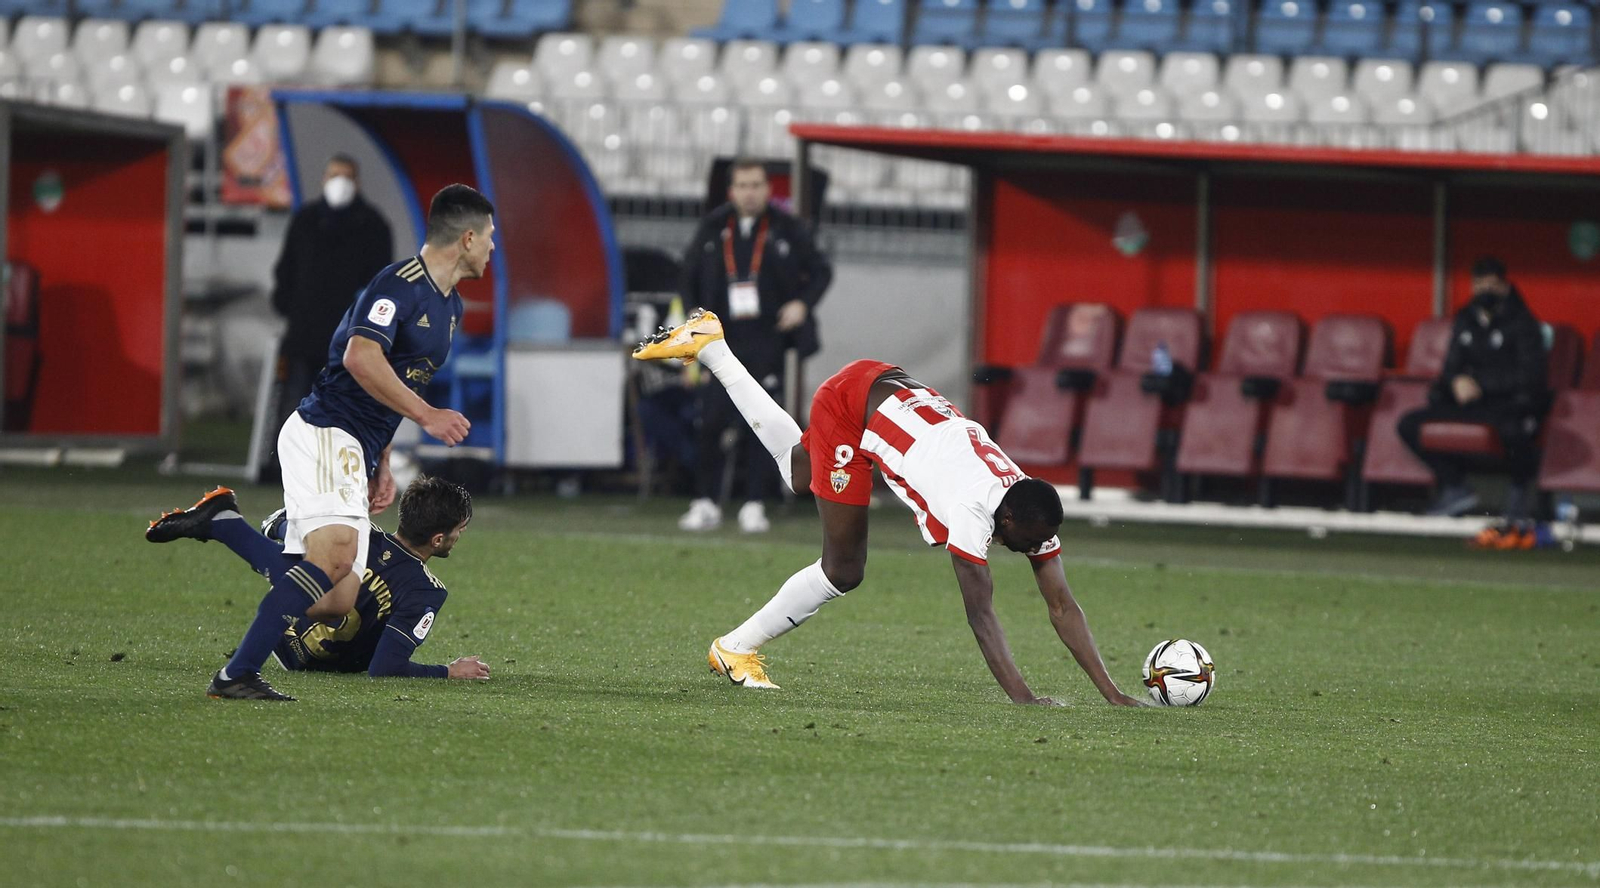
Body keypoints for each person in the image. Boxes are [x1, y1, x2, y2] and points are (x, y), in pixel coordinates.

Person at [634, 310, 1143, 706]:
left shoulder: (1025, 501)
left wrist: (1113, 694)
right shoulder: (972, 512)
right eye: (1026, 543)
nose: (1029, 550)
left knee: (798, 472)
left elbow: (1062, 605)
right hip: (850, 406)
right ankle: (735, 649)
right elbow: (981, 616)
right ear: (1006, 521)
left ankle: (713, 347)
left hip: (892, 386)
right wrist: (1024, 699)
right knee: (843, 568)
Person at [187, 184, 490, 701]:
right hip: (328, 429)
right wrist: (427, 416)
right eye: (488, 237)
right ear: (466, 238)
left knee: (336, 598)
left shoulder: (450, 308)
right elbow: (359, 357)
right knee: (334, 562)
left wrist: (382, 460)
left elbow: (395, 385)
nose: (491, 247)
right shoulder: (397, 285)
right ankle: (237, 674)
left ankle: (225, 524)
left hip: (357, 445)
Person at [145, 476, 491, 682]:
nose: (460, 536)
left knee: (317, 562)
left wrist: (294, 530)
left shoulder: (357, 531)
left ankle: (229, 527)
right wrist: (448, 672)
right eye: (459, 530)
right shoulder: (425, 591)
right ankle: (226, 525)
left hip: (281, 642)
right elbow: (385, 667)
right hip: (319, 665)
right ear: (438, 539)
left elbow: (273, 523)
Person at [676, 159, 833, 534]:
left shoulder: (787, 228)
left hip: (766, 339)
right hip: (720, 341)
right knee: (711, 421)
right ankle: (705, 501)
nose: (750, 193)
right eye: (743, 186)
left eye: (756, 185)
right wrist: (694, 313)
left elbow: (821, 271)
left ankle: (754, 503)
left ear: (768, 190)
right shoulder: (714, 227)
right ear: (732, 191)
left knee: (761, 423)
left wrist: (802, 304)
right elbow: (687, 274)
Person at [1398, 256, 1549, 524]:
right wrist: (1455, 381)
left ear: (1504, 286)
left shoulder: (1523, 323)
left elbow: (1530, 376)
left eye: (1491, 285)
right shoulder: (1465, 318)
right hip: (1470, 405)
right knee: (1409, 424)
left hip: (1507, 405)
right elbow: (1450, 366)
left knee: (1515, 430)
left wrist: (1481, 384)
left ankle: (1518, 499)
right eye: (1480, 285)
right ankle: (1455, 486)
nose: (1485, 291)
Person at [268, 154, 394, 476]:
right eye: (335, 174)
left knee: (345, 408)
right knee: (296, 404)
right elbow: (286, 272)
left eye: (347, 176)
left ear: (358, 182)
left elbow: (380, 285)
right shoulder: (306, 220)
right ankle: (286, 468)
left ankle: (339, 470)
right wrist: (290, 309)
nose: (340, 182)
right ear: (324, 179)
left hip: (349, 341)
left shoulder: (373, 226)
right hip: (305, 336)